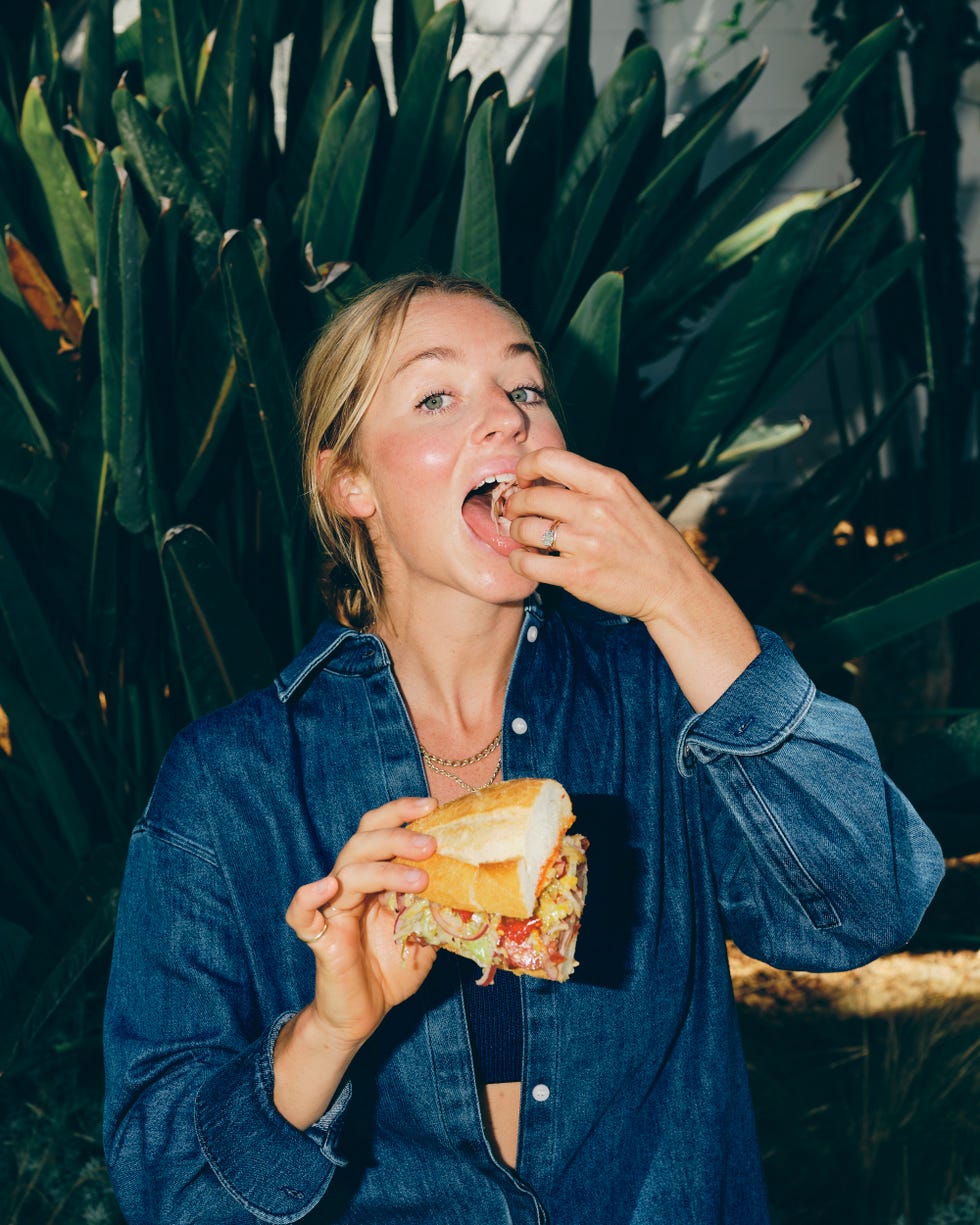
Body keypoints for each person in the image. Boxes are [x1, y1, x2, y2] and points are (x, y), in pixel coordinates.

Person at [102, 272, 944, 1224]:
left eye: (526, 389)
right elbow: (165, 1186)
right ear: (349, 483)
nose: (506, 418)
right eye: (436, 395)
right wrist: (326, 1034)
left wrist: (681, 593)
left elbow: (866, 904)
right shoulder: (232, 780)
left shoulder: (660, 694)